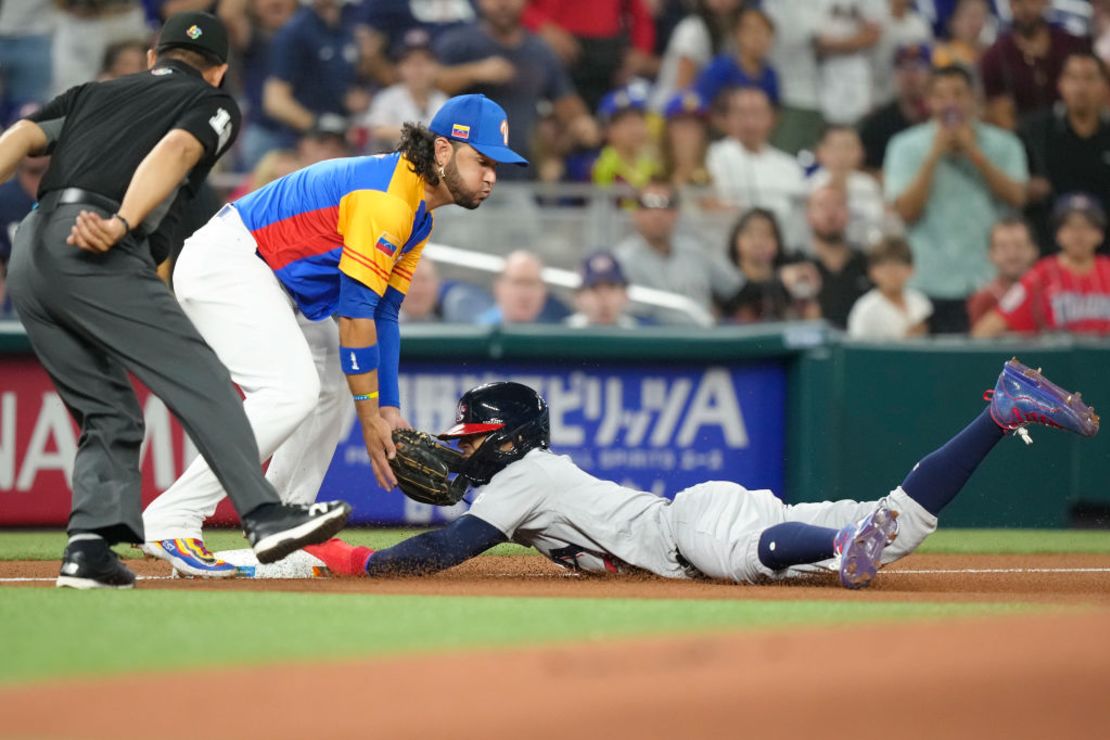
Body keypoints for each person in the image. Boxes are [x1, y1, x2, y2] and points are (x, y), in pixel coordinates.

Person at [0, 11, 351, 589]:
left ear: (150, 57)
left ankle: (87, 550)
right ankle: (265, 516)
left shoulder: (92, 92)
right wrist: (121, 221)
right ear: (218, 70)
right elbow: (178, 149)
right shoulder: (212, 104)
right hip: (96, 246)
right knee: (203, 379)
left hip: (32, 253)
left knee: (108, 411)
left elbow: (20, 138)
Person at [139, 93, 528, 577]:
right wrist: (370, 421)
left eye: (499, 165)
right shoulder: (388, 202)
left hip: (268, 277)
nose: (491, 175)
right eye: (483, 161)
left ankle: (286, 516)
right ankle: (174, 516)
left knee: (333, 383)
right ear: (444, 152)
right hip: (229, 262)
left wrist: (386, 406)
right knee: (289, 391)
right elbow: (355, 318)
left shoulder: (416, 213)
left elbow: (386, 313)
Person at [304, 366, 1099, 589]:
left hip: (691, 525)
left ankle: (842, 541)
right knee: (900, 528)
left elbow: (443, 552)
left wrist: (345, 559)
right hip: (710, 517)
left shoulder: (525, 477)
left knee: (753, 560)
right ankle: (999, 413)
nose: (459, 447)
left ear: (505, 439)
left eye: (472, 433)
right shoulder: (527, 479)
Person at [884, 64, 1028, 334]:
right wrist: (934, 154)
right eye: (940, 95)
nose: (950, 103)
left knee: (989, 371)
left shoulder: (1005, 144)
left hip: (988, 279)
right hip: (927, 280)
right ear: (928, 101)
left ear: (974, 97)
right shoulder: (904, 147)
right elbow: (905, 211)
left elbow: (1017, 198)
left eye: (958, 94)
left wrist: (974, 152)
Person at [435, 0, 599, 181]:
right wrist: (475, 72)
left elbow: (565, 99)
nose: (503, 4)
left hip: (520, 170)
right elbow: (430, 82)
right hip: (463, 171)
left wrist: (581, 121)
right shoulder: (459, 43)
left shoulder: (540, 51)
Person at [972, 192, 1110, 337]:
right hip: (1057, 357)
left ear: (1100, 234)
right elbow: (985, 330)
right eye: (1070, 227)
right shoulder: (1040, 274)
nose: (1078, 235)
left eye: (1086, 227)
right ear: (1058, 234)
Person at [613, 180, 742, 324]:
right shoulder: (621, 260)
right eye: (648, 205)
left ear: (676, 212)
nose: (657, 214)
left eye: (666, 205)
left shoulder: (696, 251)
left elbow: (736, 290)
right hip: (649, 341)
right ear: (635, 213)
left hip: (703, 338)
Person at [1020, 51, 1110, 253]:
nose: (1081, 87)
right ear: (1060, 84)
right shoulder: (1035, 132)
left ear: (1105, 86)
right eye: (1073, 78)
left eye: (1089, 78)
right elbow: (1019, 188)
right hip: (1048, 247)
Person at [707, 86, 806, 237]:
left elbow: (798, 215)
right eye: (742, 114)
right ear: (728, 118)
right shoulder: (712, 157)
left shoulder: (790, 166)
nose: (750, 122)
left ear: (772, 118)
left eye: (756, 114)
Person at [979, 0, 1090, 130]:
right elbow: (999, 115)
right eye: (1018, 3)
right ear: (1010, 6)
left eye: (1032, 1)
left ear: (1046, 3)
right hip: (1021, 139)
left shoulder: (1073, 45)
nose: (1025, 8)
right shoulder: (994, 57)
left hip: (1077, 132)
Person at [789, 185, 873, 329]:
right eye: (822, 206)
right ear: (808, 215)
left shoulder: (868, 263)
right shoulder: (793, 262)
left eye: (838, 205)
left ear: (849, 213)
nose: (831, 213)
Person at [720, 208, 819, 323]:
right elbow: (741, 295)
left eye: (767, 234)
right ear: (736, 239)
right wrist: (780, 280)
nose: (759, 241)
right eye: (750, 234)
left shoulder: (789, 281)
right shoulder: (725, 280)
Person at [361, 29, 448, 152]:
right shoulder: (388, 98)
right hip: (393, 162)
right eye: (411, 63)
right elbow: (376, 131)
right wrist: (422, 132)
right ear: (399, 68)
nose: (418, 70)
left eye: (424, 63)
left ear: (436, 67)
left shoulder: (442, 100)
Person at [649, 0, 742, 112]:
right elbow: (682, 91)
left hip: (703, 108)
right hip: (669, 111)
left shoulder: (730, 32)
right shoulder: (692, 29)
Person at [857, 42, 932, 176]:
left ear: (931, 74)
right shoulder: (878, 122)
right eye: (902, 68)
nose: (910, 76)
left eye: (917, 67)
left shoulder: (938, 117)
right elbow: (863, 168)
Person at [809, 125, 885, 248]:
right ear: (819, 151)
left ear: (861, 153)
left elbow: (876, 224)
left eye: (848, 147)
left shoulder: (869, 186)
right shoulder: (810, 185)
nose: (842, 154)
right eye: (836, 147)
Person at [847, 236, 933, 339]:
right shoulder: (865, 310)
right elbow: (857, 348)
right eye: (885, 266)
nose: (892, 272)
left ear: (911, 269)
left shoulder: (921, 302)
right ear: (872, 271)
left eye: (899, 265)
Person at [693, 5, 778, 108]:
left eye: (765, 32)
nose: (758, 38)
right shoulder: (719, 69)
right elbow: (700, 103)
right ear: (737, 34)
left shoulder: (770, 76)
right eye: (751, 30)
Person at [966, 216, 1040, 325]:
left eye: (1019, 246)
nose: (1012, 254)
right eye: (1003, 247)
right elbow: (978, 339)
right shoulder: (982, 299)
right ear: (991, 253)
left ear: (1034, 250)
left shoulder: (1050, 293)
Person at [591, 83, 662, 189]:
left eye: (639, 121)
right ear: (606, 130)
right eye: (626, 123)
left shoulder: (655, 163)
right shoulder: (602, 165)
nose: (635, 130)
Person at [475, 249, 564, 326]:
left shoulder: (553, 337)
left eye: (531, 284)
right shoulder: (478, 334)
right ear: (499, 287)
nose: (525, 292)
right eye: (518, 283)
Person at [566, 251, 637, 328]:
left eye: (611, 287)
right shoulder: (561, 334)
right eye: (594, 288)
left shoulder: (641, 333)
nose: (604, 297)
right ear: (578, 297)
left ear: (625, 295)